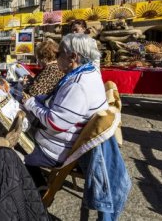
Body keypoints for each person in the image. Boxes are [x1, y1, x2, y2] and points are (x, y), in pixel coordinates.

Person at [23, 33, 108, 171]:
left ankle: (32, 181)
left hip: (52, 152)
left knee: (7, 145)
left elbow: (55, 123)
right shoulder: (91, 72)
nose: (56, 59)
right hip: (60, 144)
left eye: (58, 55)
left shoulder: (78, 85)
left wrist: (31, 103)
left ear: (73, 57)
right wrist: (41, 99)